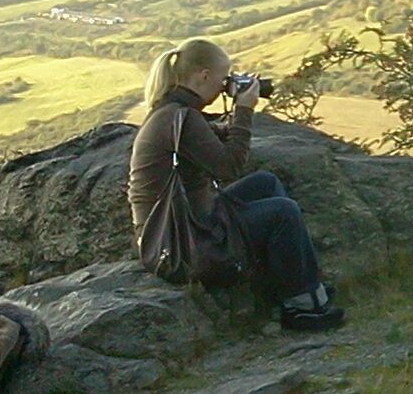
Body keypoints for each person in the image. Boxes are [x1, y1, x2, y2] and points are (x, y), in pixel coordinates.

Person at [127, 37, 344, 331]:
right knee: (283, 212)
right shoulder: (182, 118)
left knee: (265, 183)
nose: (223, 86)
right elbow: (230, 166)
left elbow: (209, 147)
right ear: (204, 76)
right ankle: (301, 307)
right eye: (222, 79)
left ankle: (293, 286)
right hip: (181, 242)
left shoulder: (172, 111)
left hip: (183, 224)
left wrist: (228, 122)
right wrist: (244, 110)